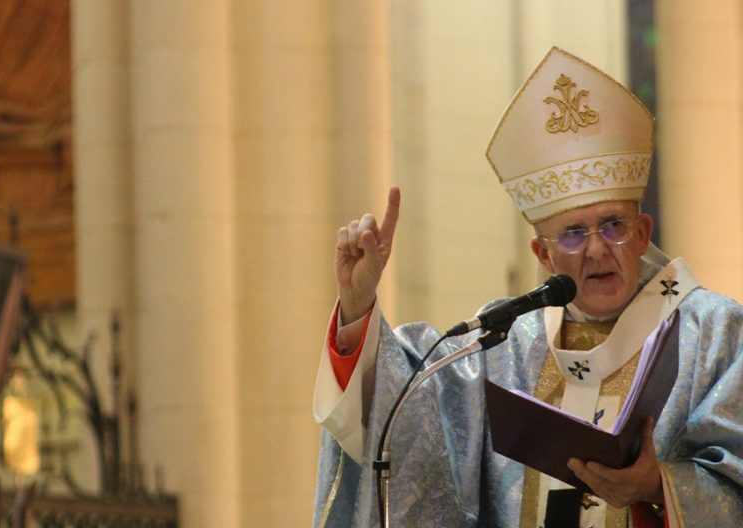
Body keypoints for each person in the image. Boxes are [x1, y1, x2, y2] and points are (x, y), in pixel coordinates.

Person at [312, 47, 743, 527]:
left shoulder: (716, 334)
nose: (597, 249)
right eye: (573, 233)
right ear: (543, 255)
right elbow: (407, 419)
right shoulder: (504, 343)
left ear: (643, 232)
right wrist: (358, 304)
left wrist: (659, 486)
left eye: (613, 225)